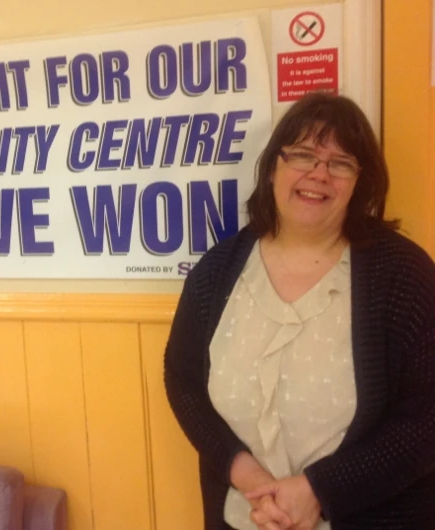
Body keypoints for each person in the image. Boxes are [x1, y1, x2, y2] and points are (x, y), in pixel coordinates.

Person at [163, 91, 435, 530]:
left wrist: (321, 490)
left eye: (341, 163)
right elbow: (183, 380)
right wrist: (244, 473)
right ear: (274, 167)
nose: (319, 174)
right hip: (242, 517)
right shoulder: (217, 271)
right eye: (304, 155)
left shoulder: (403, 275)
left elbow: (427, 418)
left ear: (359, 181)